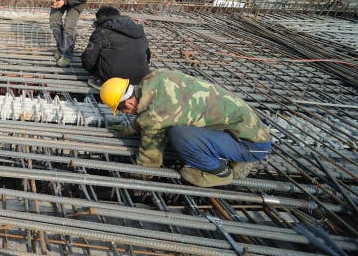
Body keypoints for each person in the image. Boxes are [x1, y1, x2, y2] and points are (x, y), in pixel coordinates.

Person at [99, 70, 271, 187]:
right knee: (177, 129)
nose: (128, 114)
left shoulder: (154, 116)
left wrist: (138, 179)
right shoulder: (154, 79)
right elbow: (151, 113)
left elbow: (150, 159)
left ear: (129, 102)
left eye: (125, 111)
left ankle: (221, 173)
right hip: (246, 128)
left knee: (179, 135)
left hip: (252, 145)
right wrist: (131, 129)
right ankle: (232, 156)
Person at [81, 6, 151, 89]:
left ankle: (101, 81)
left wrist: (94, 73)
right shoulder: (139, 30)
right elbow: (148, 55)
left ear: (101, 18)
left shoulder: (101, 31)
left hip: (112, 79)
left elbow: (89, 59)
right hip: (140, 78)